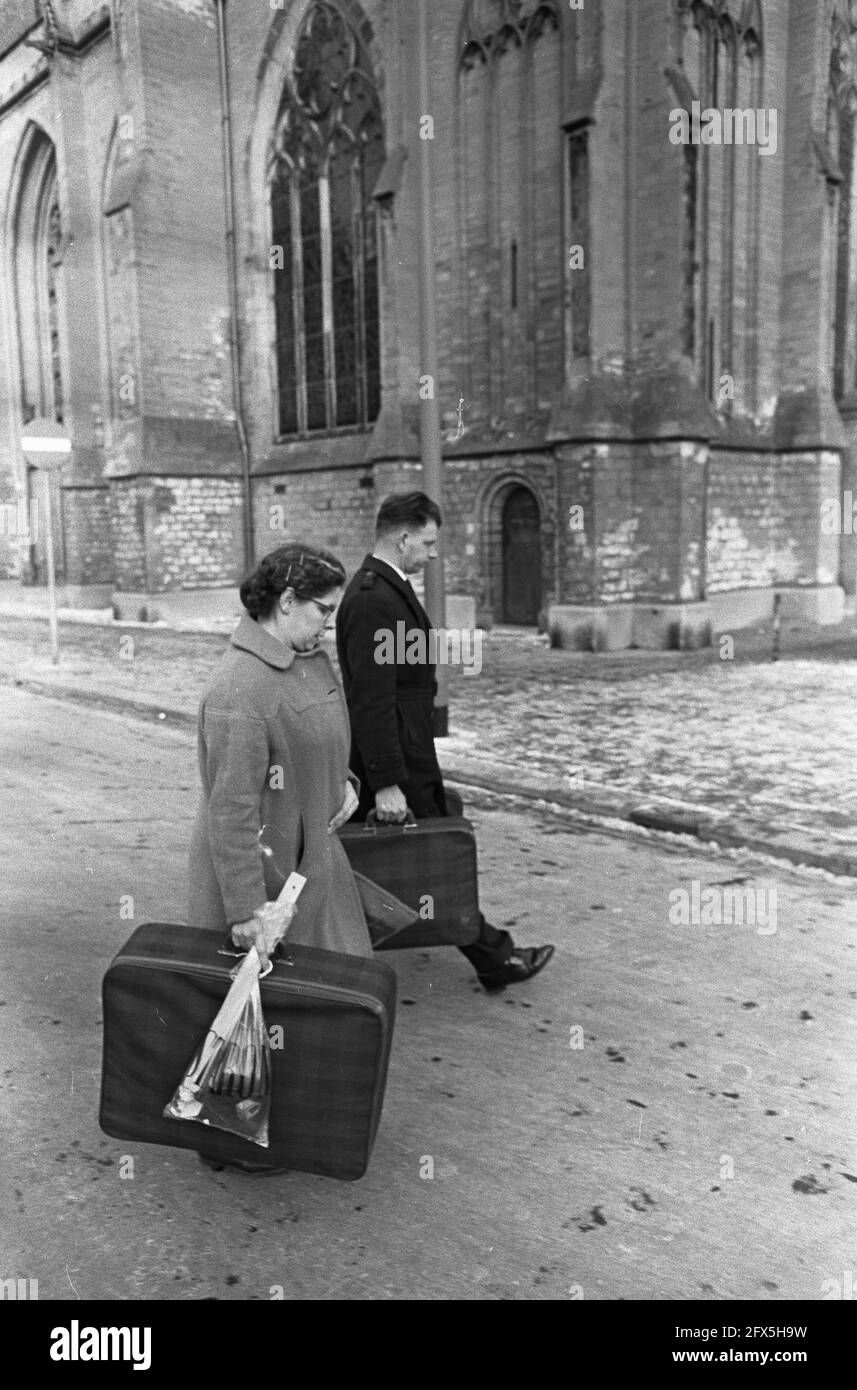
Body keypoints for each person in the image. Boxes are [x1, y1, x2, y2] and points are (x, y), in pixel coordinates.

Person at [187, 543, 368, 1174]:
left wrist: (345, 784)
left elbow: (327, 738)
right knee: (259, 1011)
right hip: (264, 875)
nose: (328, 624)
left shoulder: (308, 659)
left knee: (329, 992)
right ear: (285, 602)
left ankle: (287, 1119)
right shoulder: (240, 687)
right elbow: (231, 809)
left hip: (314, 862)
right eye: (322, 609)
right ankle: (234, 1133)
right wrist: (245, 911)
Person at [335, 491, 555, 992]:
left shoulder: (389, 588)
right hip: (397, 756)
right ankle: (494, 958)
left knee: (411, 861)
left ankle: (487, 955)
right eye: (428, 543)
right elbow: (372, 700)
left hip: (406, 746)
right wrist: (388, 783)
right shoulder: (373, 598)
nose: (432, 554)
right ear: (403, 536)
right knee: (433, 860)